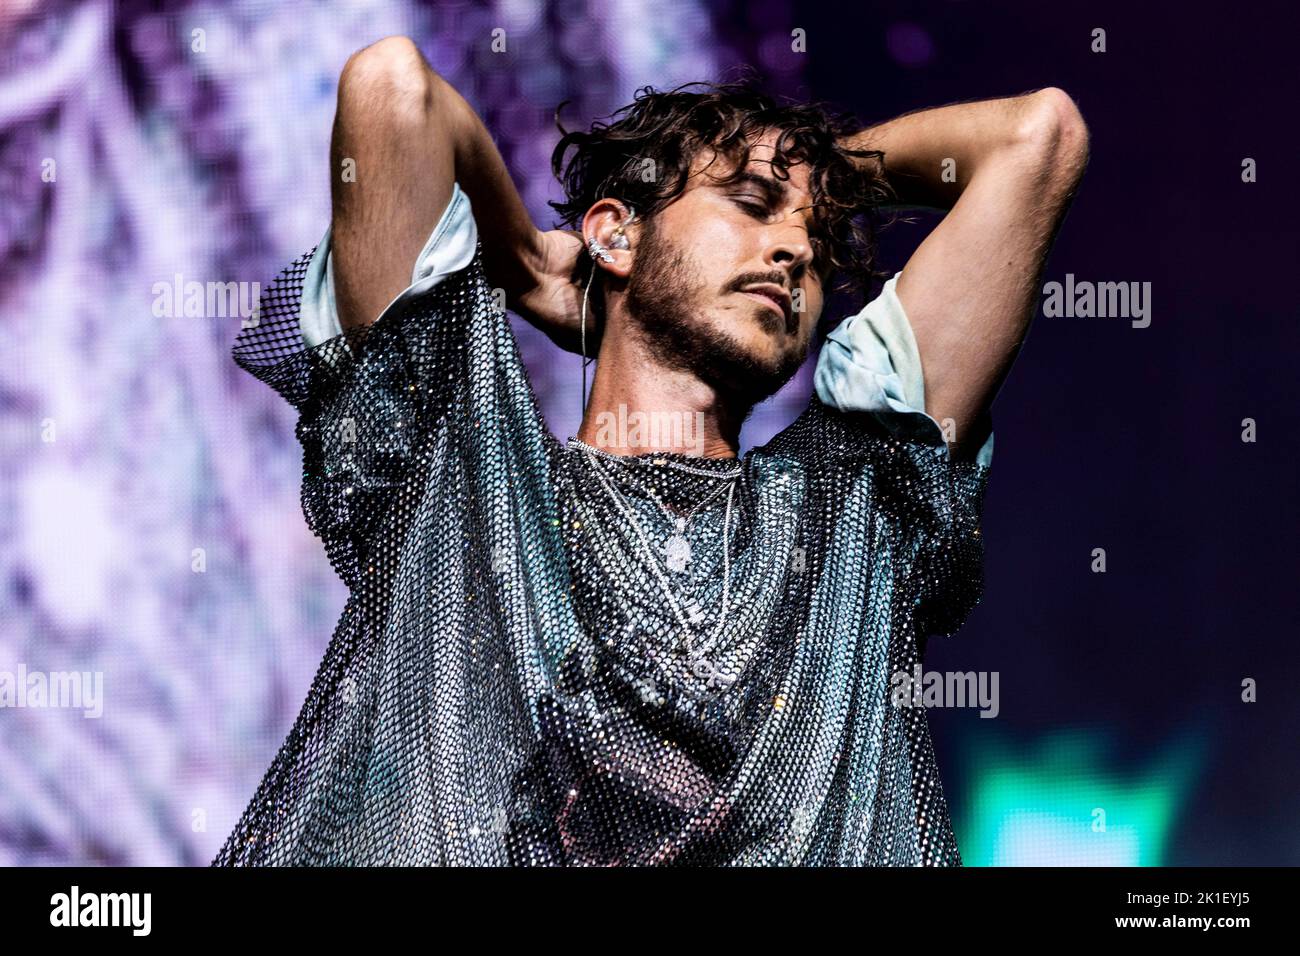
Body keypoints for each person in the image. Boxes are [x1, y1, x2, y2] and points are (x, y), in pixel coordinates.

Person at [213, 35, 1088, 866]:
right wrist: (519, 261)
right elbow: (391, 91)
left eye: (816, 247)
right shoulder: (470, 486)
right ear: (615, 233)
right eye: (749, 204)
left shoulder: (855, 509)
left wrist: (814, 177)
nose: (791, 250)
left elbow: (1035, 140)